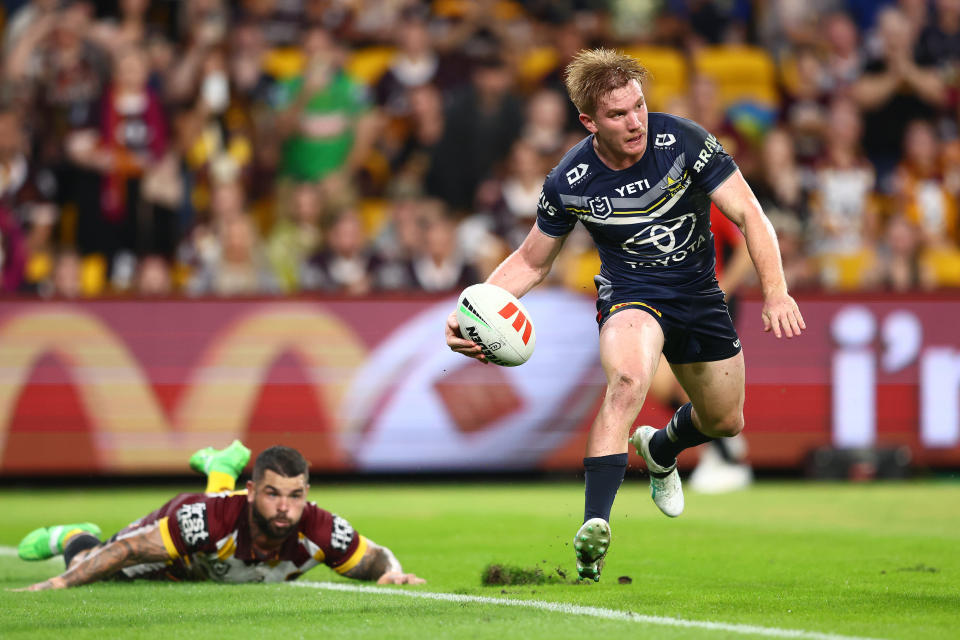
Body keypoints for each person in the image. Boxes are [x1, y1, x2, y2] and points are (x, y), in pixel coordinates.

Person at [444, 49, 804, 582]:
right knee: (629, 382)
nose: (635, 121)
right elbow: (530, 261)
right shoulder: (571, 179)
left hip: (701, 294)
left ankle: (661, 449)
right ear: (589, 121)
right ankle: (594, 532)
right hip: (632, 296)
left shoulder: (683, 141)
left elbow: (750, 213)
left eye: (638, 106)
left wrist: (776, 291)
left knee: (726, 421)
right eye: (618, 114)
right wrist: (472, 309)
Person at [16, 442, 425, 590]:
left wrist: (391, 570)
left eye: (295, 496)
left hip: (217, 542)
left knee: (225, 525)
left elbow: (376, 556)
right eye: (272, 494)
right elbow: (127, 551)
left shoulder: (319, 528)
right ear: (252, 493)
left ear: (307, 494)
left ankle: (220, 467)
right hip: (182, 552)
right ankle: (71, 535)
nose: (285, 508)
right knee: (91, 565)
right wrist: (56, 583)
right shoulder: (201, 520)